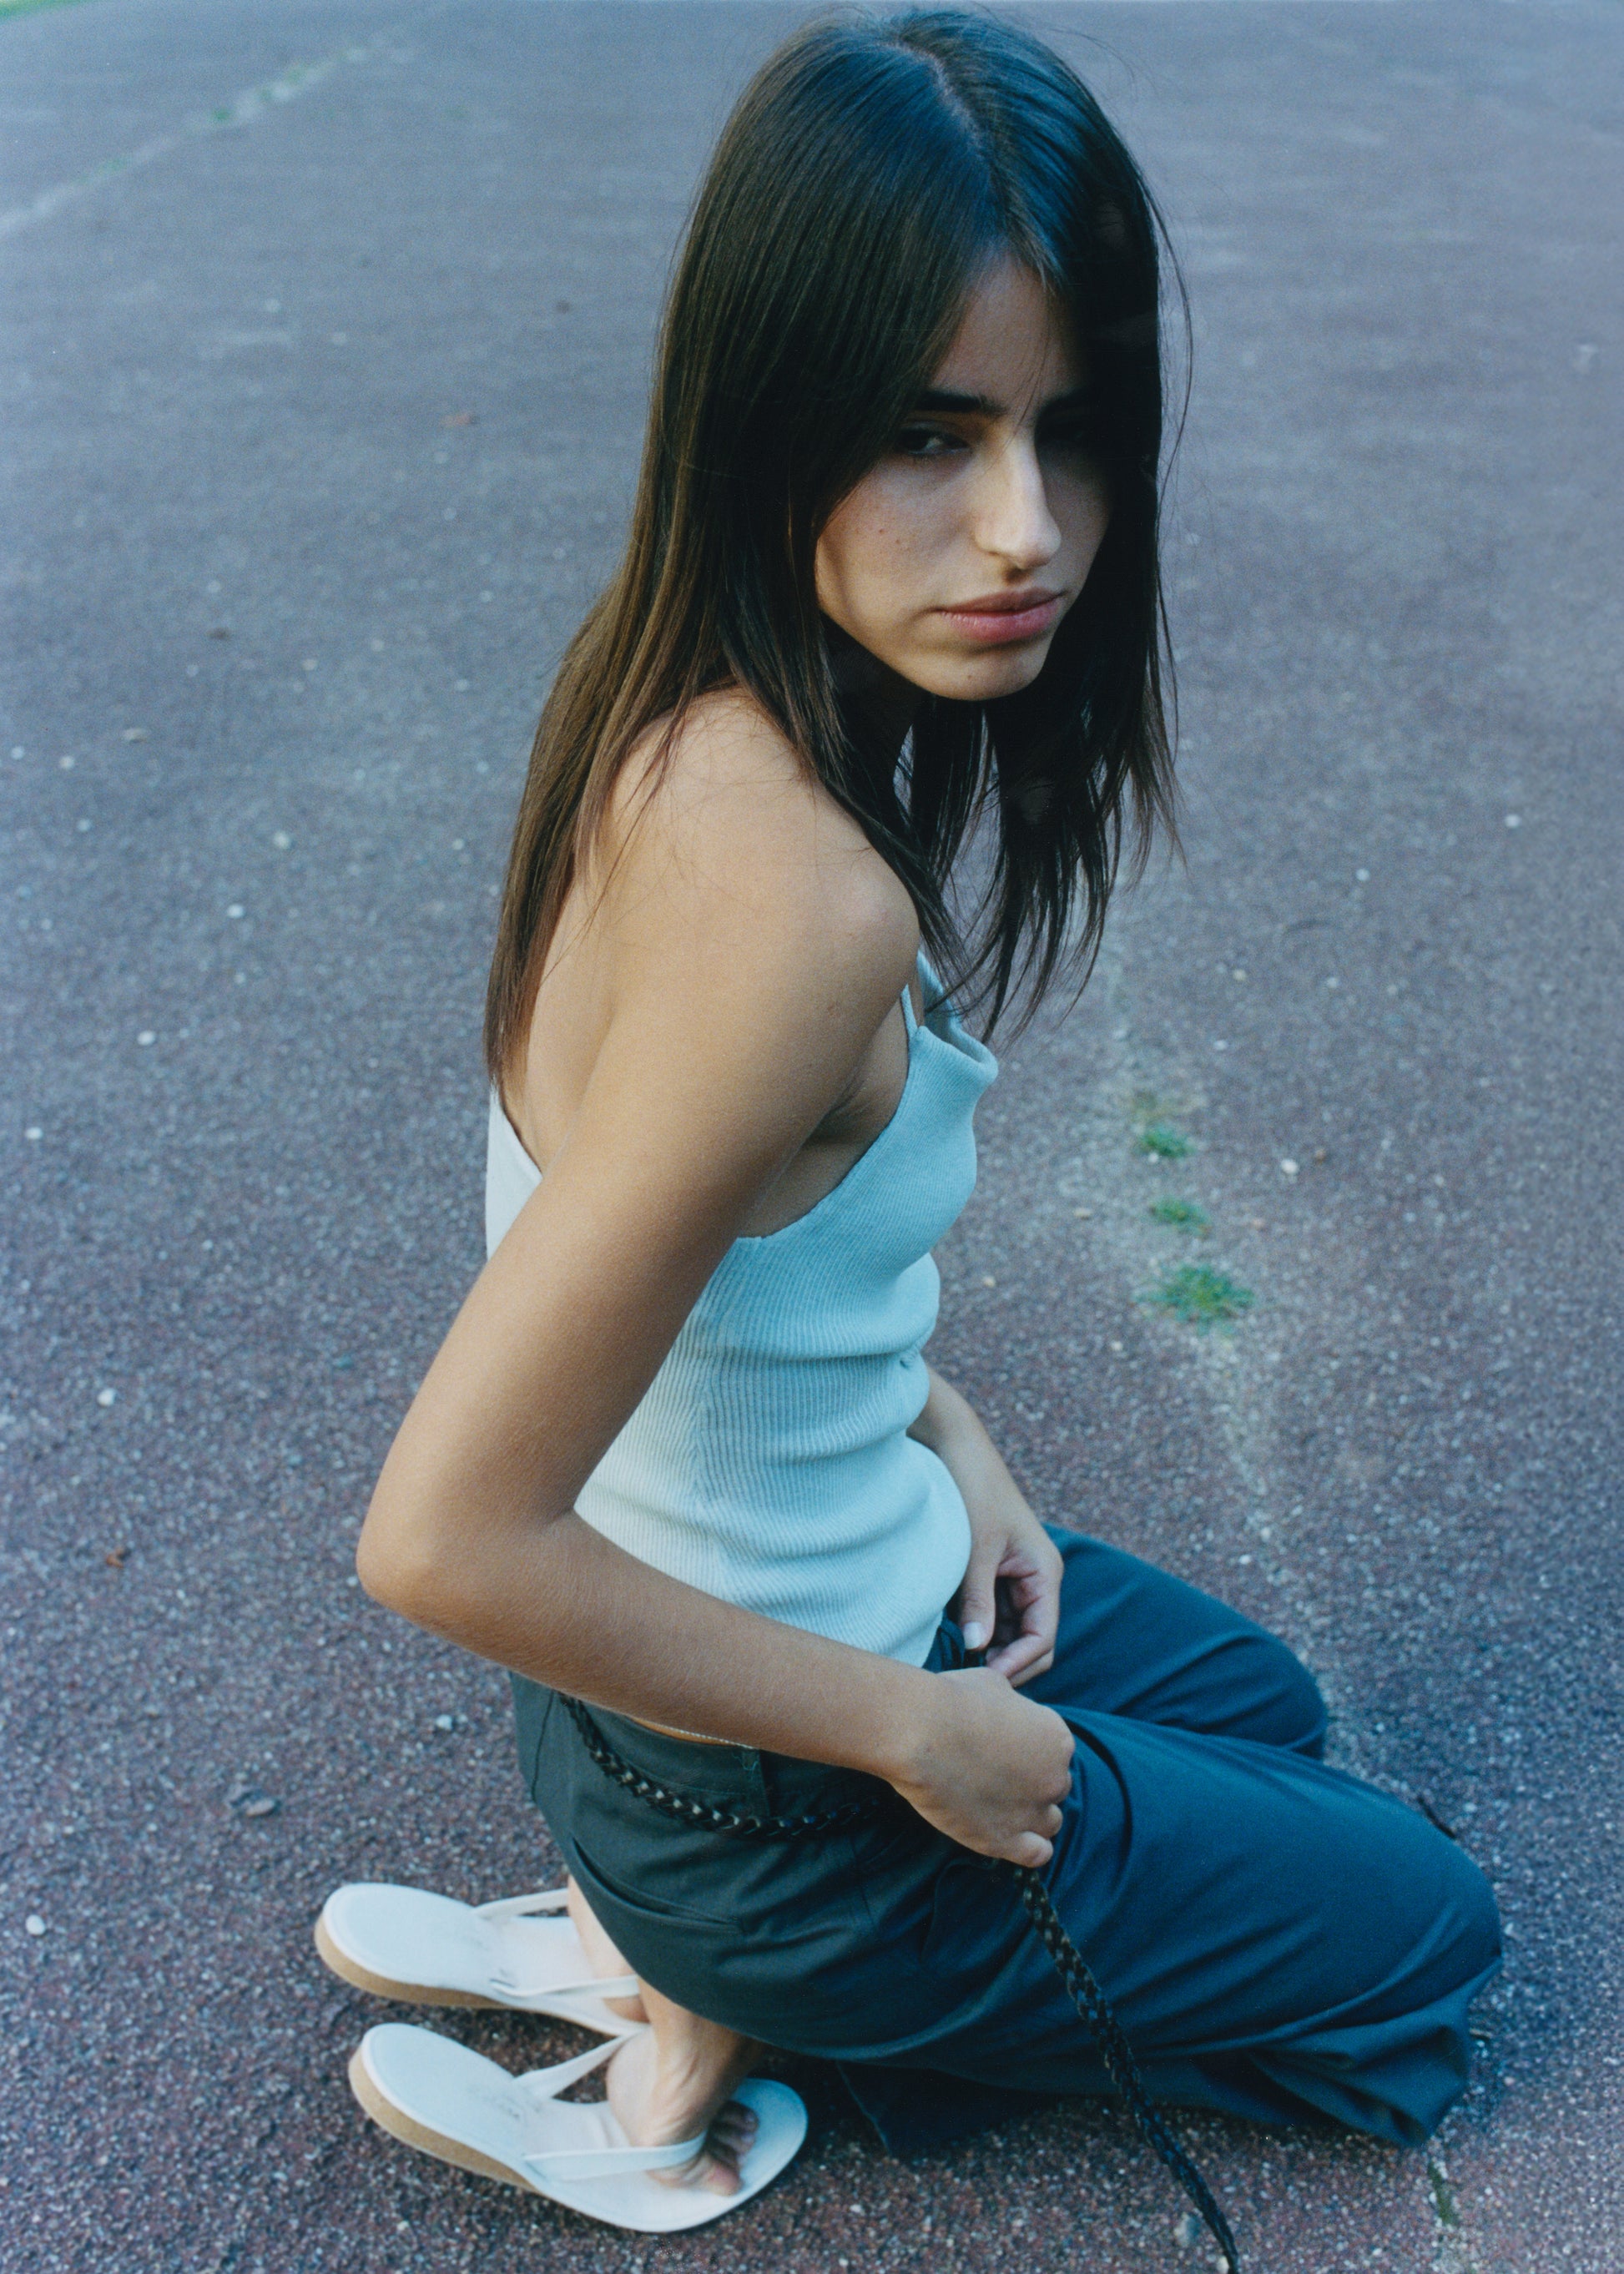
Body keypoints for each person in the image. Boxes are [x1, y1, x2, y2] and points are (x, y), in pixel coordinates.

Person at [335, 8, 1500, 2236]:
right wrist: (911, 1738)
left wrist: (948, 1441)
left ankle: (680, 1937)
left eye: (1071, 437)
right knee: (1425, 1943)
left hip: (717, 1681)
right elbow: (444, 1536)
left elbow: (734, 1293)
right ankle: (720, 1984)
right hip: (767, 1788)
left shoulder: (668, 700)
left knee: (1260, 1716)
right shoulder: (795, 910)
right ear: (766, 422)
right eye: (927, 435)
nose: (1021, 532)